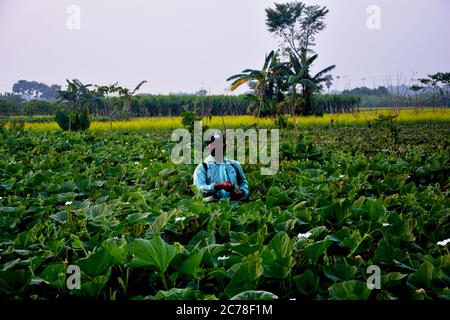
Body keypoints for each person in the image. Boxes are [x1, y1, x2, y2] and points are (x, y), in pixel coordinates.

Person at [193, 132, 249, 201]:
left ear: (225, 146)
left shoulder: (234, 165)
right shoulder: (202, 168)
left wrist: (241, 192)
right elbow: (198, 189)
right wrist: (219, 186)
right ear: (208, 147)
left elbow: (244, 183)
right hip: (212, 209)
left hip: (234, 208)